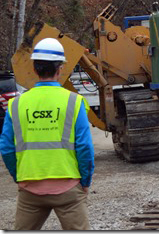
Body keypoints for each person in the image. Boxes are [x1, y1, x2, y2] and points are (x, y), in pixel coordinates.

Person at [0, 38, 94, 230]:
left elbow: (7, 148)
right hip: (69, 188)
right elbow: (84, 147)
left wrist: (20, 177)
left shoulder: (16, 104)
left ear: (34, 69)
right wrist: (85, 181)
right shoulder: (74, 102)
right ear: (60, 69)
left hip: (30, 189)